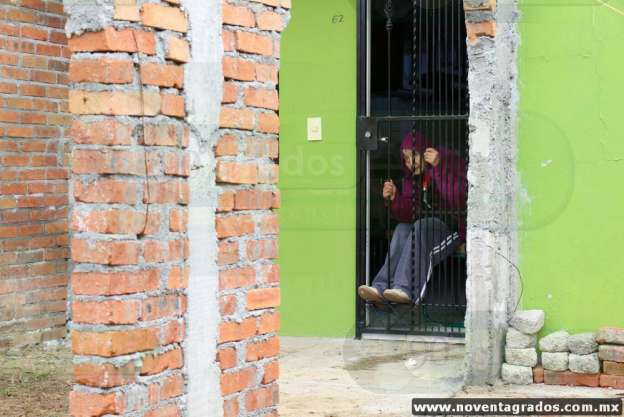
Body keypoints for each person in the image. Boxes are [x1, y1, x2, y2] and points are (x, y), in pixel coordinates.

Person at [358, 131, 467, 305]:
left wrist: (438, 168)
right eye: (406, 158)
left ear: (426, 152)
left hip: (451, 227)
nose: (410, 163)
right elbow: (409, 214)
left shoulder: (446, 163)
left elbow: (458, 198)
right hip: (424, 226)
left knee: (421, 226)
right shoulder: (412, 179)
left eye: (413, 156)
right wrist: (395, 199)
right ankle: (380, 288)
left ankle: (405, 289)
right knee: (402, 228)